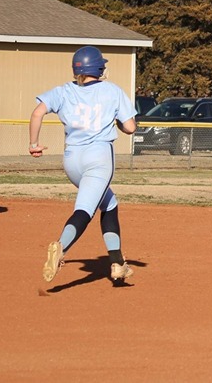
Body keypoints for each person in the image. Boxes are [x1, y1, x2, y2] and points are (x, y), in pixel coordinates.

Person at [30, 46, 137, 284]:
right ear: (99, 68)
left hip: (72, 160)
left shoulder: (65, 90)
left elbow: (37, 112)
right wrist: (118, 123)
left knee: (109, 203)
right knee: (85, 210)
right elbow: (130, 127)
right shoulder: (111, 91)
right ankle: (61, 247)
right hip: (98, 158)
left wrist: (34, 143)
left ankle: (118, 264)